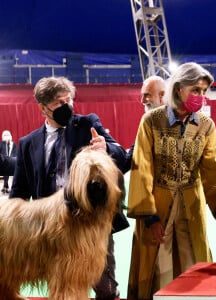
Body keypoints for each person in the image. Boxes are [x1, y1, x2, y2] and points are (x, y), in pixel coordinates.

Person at [9, 76, 128, 300]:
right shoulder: (28, 143)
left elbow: (124, 158)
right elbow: (19, 193)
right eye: (59, 103)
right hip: (51, 229)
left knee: (105, 290)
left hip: (90, 223)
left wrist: (107, 148)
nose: (67, 106)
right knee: (60, 283)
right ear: (43, 108)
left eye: (69, 100)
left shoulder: (88, 125)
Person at [126, 62, 216, 300]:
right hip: (156, 208)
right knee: (158, 268)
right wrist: (150, 217)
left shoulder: (206, 125)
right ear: (178, 88)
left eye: (203, 91)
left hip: (192, 206)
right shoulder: (151, 121)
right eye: (195, 90)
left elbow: (212, 167)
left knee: (194, 265)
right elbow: (142, 168)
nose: (200, 97)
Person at [124, 75, 166, 173]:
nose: (142, 101)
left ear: (162, 95)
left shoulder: (180, 121)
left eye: (147, 95)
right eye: (142, 95)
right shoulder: (148, 123)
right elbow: (128, 161)